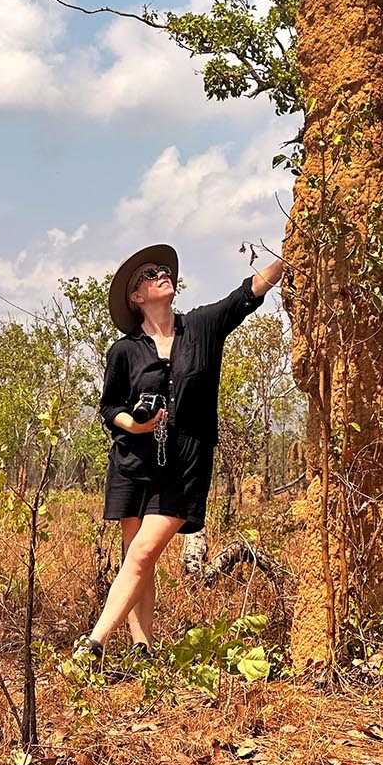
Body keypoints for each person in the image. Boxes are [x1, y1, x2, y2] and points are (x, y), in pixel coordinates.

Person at [72, 242, 284, 666]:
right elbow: (109, 406)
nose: (160, 275)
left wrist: (289, 251)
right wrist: (134, 423)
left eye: (162, 271)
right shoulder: (124, 350)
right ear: (137, 297)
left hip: (186, 461)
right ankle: (142, 650)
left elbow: (248, 294)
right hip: (133, 461)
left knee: (144, 553)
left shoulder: (202, 326)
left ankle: (92, 644)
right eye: (149, 275)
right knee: (139, 558)